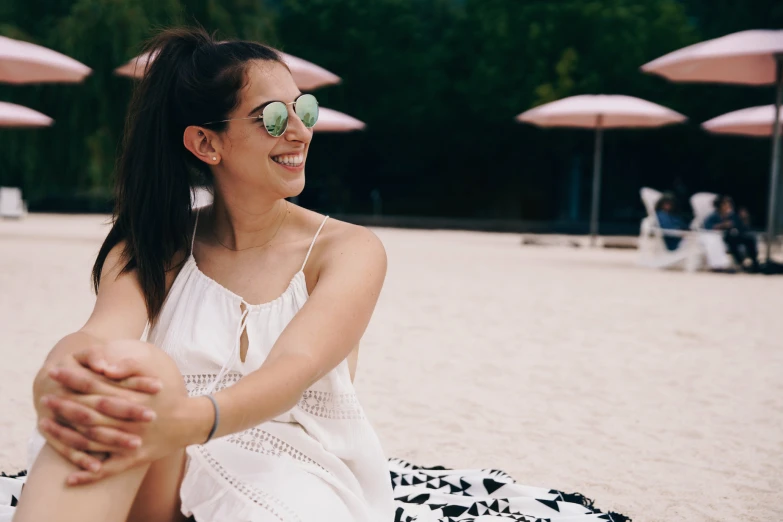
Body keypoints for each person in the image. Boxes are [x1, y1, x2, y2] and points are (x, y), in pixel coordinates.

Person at [12, 27, 394, 522]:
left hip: (288, 468)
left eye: (305, 108)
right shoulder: (157, 245)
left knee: (142, 391)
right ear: (206, 144)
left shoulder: (346, 251)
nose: (300, 131)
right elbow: (96, 336)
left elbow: (291, 371)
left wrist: (184, 420)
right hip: (162, 454)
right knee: (137, 371)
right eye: (274, 118)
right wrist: (52, 389)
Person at [704, 195, 760, 273]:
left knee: (749, 239)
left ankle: (754, 263)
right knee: (732, 242)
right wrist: (723, 225)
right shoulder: (713, 216)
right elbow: (707, 227)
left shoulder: (732, 215)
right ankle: (740, 263)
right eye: (726, 204)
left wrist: (744, 218)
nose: (729, 205)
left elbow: (742, 227)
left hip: (733, 236)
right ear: (720, 205)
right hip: (720, 238)